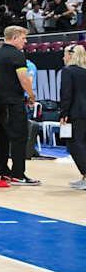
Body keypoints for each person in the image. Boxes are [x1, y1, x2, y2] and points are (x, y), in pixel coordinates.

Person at [0, 25, 40, 186]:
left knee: (1, 136)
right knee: (19, 137)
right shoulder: (17, 55)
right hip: (12, 102)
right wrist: (31, 95)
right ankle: (18, 174)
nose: (25, 41)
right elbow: (23, 78)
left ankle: (4, 172)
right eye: (24, 38)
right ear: (15, 37)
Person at [59, 44, 86, 189]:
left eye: (64, 55)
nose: (63, 58)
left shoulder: (68, 71)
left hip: (76, 113)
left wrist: (64, 113)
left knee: (75, 144)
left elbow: (66, 94)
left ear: (70, 55)